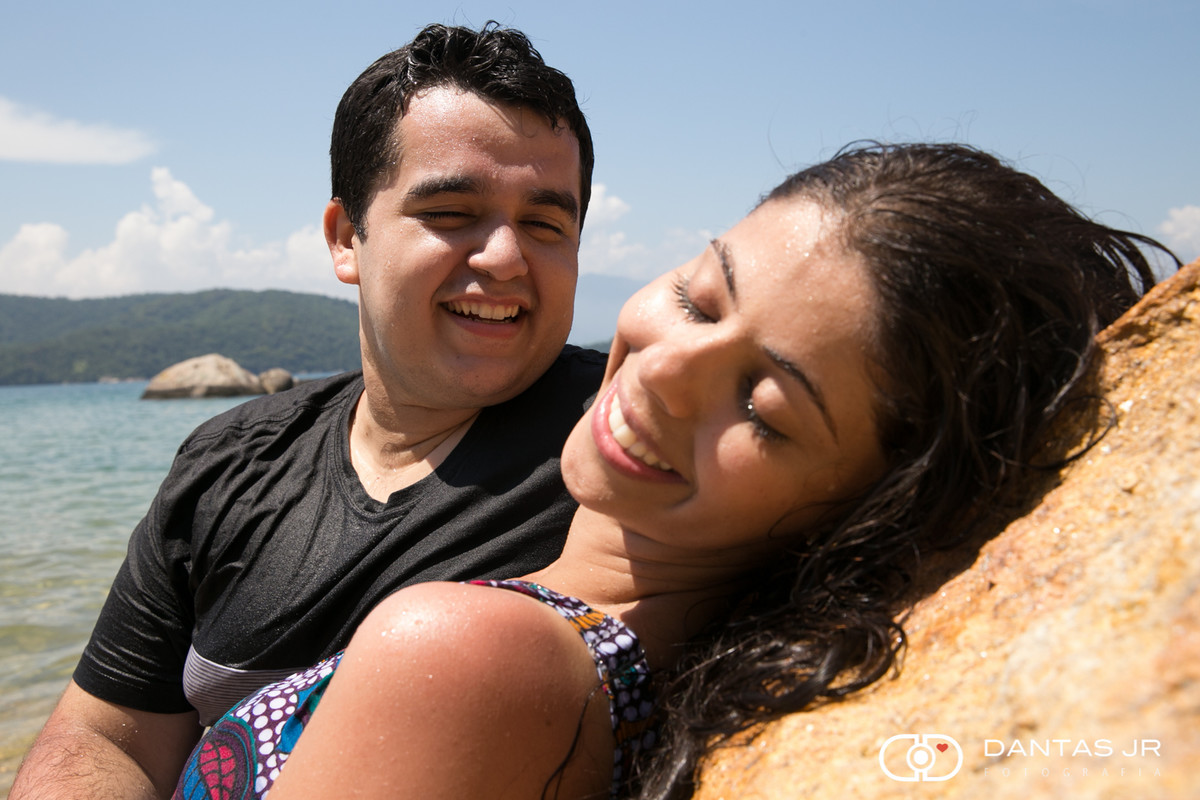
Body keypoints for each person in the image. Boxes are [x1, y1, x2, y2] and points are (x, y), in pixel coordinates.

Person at [168, 142, 1175, 800]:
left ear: (866, 505)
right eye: (699, 298)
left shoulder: (477, 658)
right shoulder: (658, 683)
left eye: (762, 407)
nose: (663, 370)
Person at [12, 22, 604, 800]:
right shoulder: (228, 464)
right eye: (453, 212)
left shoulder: (625, 442)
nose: (504, 257)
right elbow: (104, 736)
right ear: (346, 238)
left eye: (546, 223)